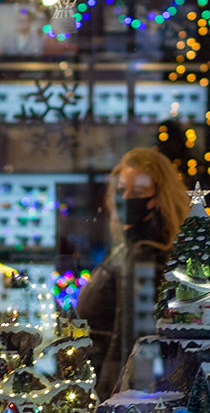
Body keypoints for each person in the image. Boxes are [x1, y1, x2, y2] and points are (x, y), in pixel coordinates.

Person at [76, 148, 187, 400]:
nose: (125, 199)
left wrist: (108, 402)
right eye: (121, 190)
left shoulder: (143, 254)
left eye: (137, 192)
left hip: (111, 393)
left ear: (159, 198)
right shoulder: (130, 248)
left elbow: (129, 341)